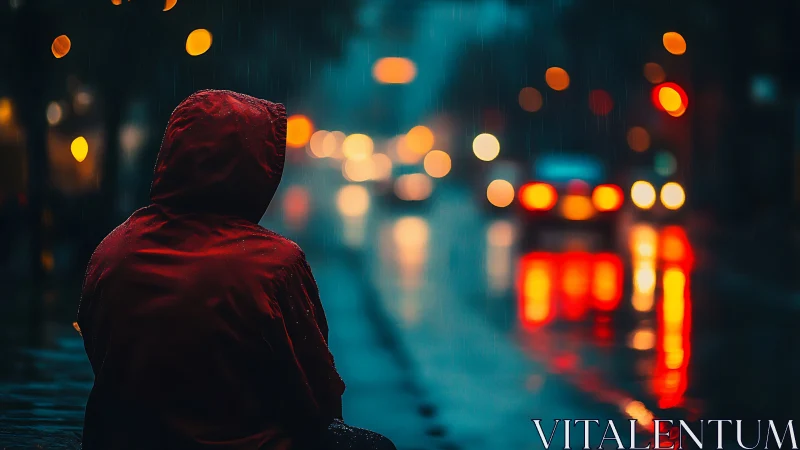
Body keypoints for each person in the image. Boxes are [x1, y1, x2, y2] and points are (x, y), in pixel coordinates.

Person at [77, 90, 396, 450]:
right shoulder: (274, 265)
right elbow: (314, 395)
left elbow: (100, 353)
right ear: (254, 169)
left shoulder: (114, 250)